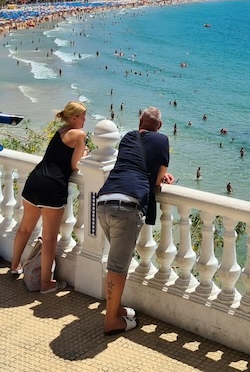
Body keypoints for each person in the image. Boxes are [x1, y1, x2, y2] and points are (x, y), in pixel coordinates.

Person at [97, 107, 175, 336]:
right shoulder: (162, 140)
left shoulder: (129, 137)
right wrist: (165, 177)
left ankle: (116, 308)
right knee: (117, 267)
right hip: (127, 206)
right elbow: (159, 177)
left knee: (116, 261)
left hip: (104, 200)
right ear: (159, 127)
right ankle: (111, 320)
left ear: (139, 121)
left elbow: (132, 165)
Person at [10, 101, 88, 294]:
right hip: (53, 186)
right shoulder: (79, 134)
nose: (85, 120)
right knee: (50, 237)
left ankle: (14, 266)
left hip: (35, 181)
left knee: (25, 227)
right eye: (83, 116)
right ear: (74, 118)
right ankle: (46, 283)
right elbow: (74, 165)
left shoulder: (61, 130)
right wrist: (85, 152)